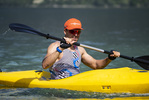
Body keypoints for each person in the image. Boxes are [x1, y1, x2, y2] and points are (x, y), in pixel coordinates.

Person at [42, 18, 120, 79]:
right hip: (59, 86)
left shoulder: (80, 49)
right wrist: (61, 49)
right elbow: (45, 65)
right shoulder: (55, 46)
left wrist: (109, 59)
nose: (76, 34)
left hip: (74, 85)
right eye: (73, 31)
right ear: (65, 31)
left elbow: (96, 65)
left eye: (78, 32)